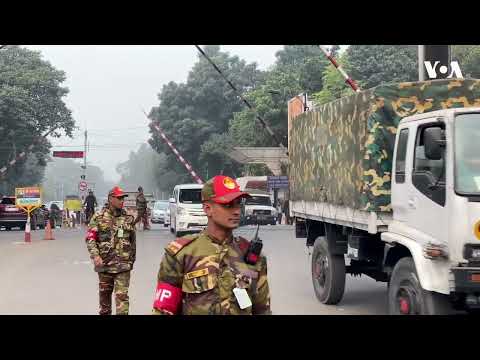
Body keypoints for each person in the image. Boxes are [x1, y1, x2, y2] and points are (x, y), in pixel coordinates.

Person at [152, 175, 271, 315]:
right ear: (208, 209)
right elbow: (164, 310)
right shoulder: (181, 254)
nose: (237, 210)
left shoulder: (252, 256)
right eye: (228, 205)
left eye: (239, 203)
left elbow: (262, 310)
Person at [85, 186, 136, 315]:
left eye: (122, 198)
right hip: (104, 266)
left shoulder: (128, 218)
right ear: (110, 199)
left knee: (122, 298)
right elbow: (90, 238)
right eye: (119, 198)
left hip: (123, 267)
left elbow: (132, 241)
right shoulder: (98, 217)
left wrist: (131, 261)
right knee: (105, 303)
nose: (121, 201)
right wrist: (95, 256)